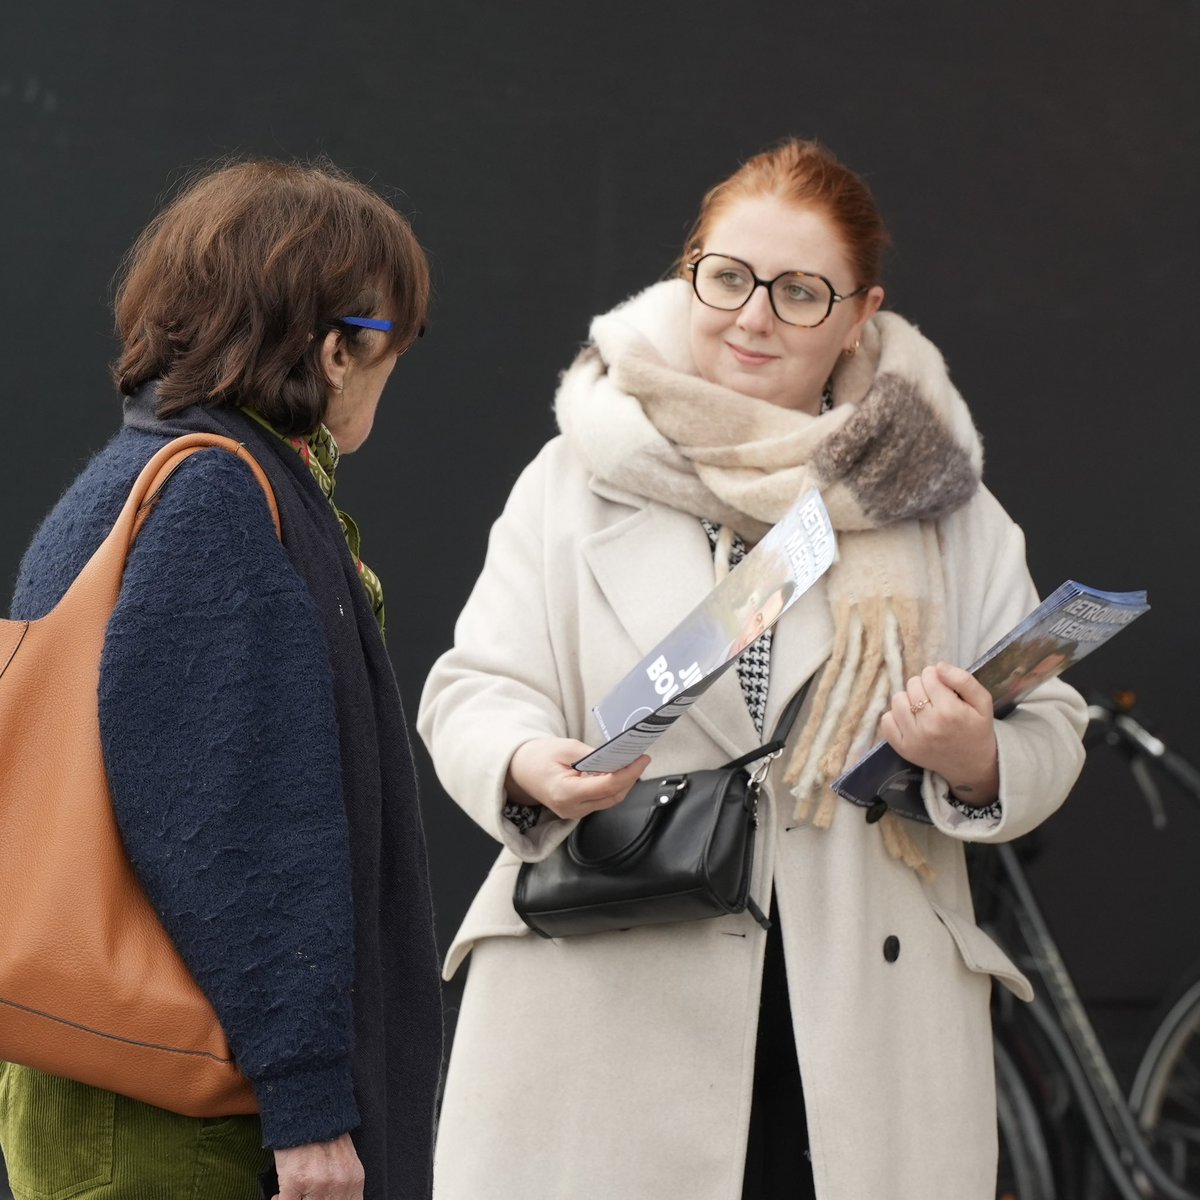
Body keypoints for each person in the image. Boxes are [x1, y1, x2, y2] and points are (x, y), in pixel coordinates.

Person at [417, 138, 1087, 1199]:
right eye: (726, 277)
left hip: (858, 1021)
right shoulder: (576, 476)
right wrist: (526, 761)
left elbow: (1047, 721)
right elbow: (473, 687)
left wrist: (977, 758)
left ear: (862, 314)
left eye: (799, 291)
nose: (752, 315)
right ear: (690, 269)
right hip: (609, 999)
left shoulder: (942, 503)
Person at [0, 160, 442, 1200]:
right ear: (338, 349)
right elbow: (236, 825)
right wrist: (308, 1107)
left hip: (100, 1076)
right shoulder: (216, 500)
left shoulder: (133, 476)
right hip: (188, 1111)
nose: (394, 369)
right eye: (394, 342)